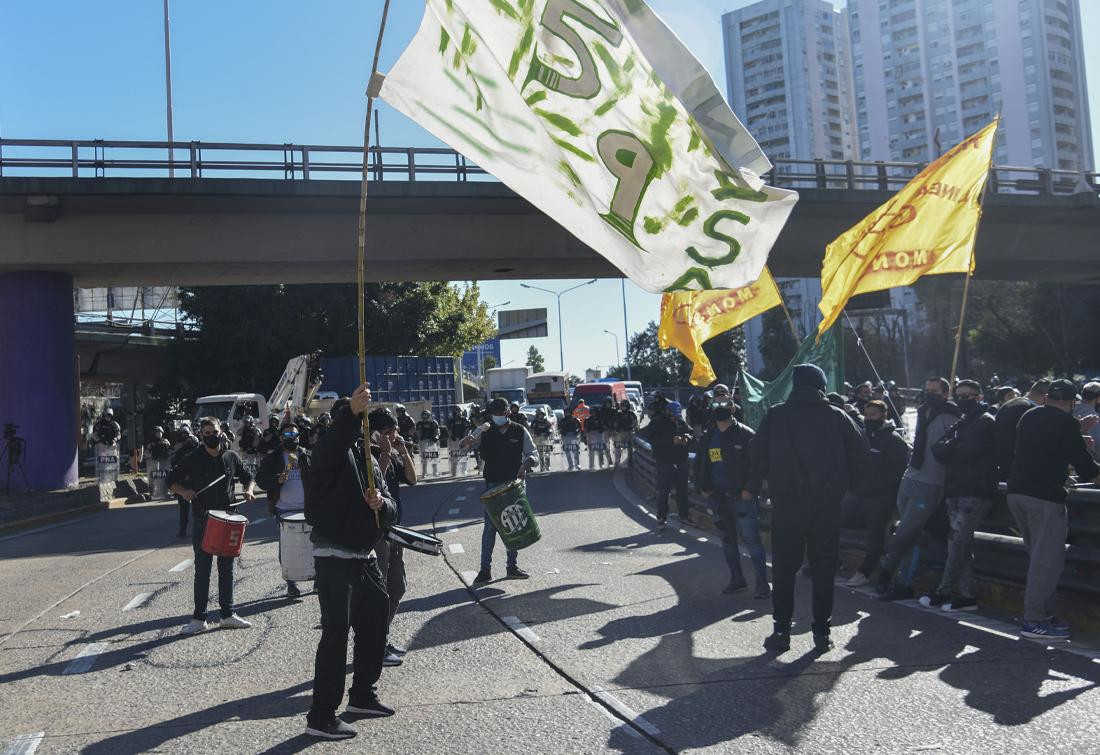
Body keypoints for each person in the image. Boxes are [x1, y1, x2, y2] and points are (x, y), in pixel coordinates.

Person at [747, 364, 867, 653]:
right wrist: (847, 489)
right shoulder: (838, 416)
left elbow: (756, 453)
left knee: (785, 569)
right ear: (822, 386)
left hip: (787, 506)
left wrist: (753, 487)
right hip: (826, 507)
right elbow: (861, 454)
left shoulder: (776, 415)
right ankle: (822, 634)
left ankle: (781, 633)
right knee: (824, 570)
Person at [303, 385, 398, 740]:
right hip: (334, 556)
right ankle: (321, 716)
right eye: (355, 418)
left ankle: (362, 695)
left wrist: (381, 506)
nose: (360, 426)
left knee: (375, 623)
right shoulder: (326, 453)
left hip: (365, 556)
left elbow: (392, 506)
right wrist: (351, 413)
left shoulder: (368, 457)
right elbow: (333, 445)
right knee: (335, 635)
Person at [1007, 379, 1100, 640]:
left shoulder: (1029, 415)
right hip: (1044, 498)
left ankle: (1042, 614)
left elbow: (1041, 450)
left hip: (1016, 493)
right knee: (1046, 562)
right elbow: (1085, 466)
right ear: (1072, 402)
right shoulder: (1067, 423)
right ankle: (1034, 619)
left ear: (1047, 397)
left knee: (1038, 558)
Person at [167, 417, 256, 634]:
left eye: (213, 431)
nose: (210, 436)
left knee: (227, 569)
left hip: (228, 519)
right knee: (203, 570)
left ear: (221, 431)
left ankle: (227, 614)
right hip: (203, 519)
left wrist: (249, 489)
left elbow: (249, 477)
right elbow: (171, 480)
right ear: (201, 435)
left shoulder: (230, 457)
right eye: (206, 433)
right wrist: (184, 491)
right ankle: (199, 618)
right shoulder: (193, 458)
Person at [876, 377, 961, 601]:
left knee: (905, 532)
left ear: (945, 393)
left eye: (935, 390)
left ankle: (886, 568)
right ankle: (903, 583)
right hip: (911, 475)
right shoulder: (924, 412)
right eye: (927, 389)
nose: (929, 393)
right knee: (909, 535)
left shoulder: (951, 415)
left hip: (931, 482)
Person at [921, 380, 997, 612]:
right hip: (954, 489)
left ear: (979, 396)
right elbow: (937, 449)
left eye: (968, 395)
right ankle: (967, 595)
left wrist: (951, 447)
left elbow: (967, 451)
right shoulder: (962, 421)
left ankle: (943, 590)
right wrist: (953, 446)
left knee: (957, 543)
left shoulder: (986, 421)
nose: (963, 399)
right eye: (959, 395)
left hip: (975, 491)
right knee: (961, 545)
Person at [694, 400, 769, 598]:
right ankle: (737, 579)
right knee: (728, 542)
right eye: (716, 400)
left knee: (752, 542)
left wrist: (749, 489)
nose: (720, 406)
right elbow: (700, 463)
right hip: (717, 498)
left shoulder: (746, 434)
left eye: (725, 401)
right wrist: (702, 487)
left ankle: (762, 585)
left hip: (741, 497)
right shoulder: (709, 436)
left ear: (733, 408)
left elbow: (757, 466)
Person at [462, 398, 538, 584]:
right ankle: (485, 570)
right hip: (493, 486)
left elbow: (533, 454)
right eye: (495, 414)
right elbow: (464, 446)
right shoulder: (486, 431)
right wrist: (470, 437)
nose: (498, 417)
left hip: (515, 483)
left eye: (501, 414)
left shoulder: (519, 430)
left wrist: (525, 465)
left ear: (507, 413)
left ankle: (512, 566)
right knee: (490, 528)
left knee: (513, 525)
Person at [367, 406, 417, 668]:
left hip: (396, 529)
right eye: (387, 431)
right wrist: (385, 452)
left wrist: (403, 451)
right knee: (381, 590)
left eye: (394, 430)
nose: (393, 435)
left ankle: (382, 637)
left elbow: (412, 479)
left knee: (397, 587)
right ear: (374, 434)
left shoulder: (394, 453)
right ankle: (374, 645)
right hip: (377, 532)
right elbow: (376, 486)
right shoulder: (369, 456)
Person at [841, 400, 909, 588]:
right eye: (867, 415)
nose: (869, 418)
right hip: (855, 493)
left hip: (879, 498)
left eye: (874, 415)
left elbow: (896, 474)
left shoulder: (895, 441)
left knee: (875, 535)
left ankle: (865, 572)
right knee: (834, 522)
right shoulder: (862, 435)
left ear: (884, 415)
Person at [256, 422, 311, 597]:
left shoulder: (306, 455)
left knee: (315, 543)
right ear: (281, 438)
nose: (291, 438)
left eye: (294, 435)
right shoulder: (272, 458)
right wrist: (276, 480)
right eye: (287, 435)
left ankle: (317, 579)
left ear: (298, 437)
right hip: (283, 508)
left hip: (307, 506)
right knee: (287, 547)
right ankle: (291, 583)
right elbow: (261, 480)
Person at [641, 395, 694, 527]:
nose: (674, 418)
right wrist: (670, 440)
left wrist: (687, 438)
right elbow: (651, 438)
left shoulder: (680, 422)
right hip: (664, 461)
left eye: (676, 415)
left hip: (681, 461)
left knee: (682, 491)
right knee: (664, 491)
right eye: (672, 415)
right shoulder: (657, 422)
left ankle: (684, 515)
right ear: (667, 411)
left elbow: (691, 433)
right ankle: (661, 517)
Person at [994, 379, 1050, 481]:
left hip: (1000, 467)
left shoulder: (1009, 404)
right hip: (1020, 472)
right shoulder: (1032, 411)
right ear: (1046, 397)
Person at [170, 426, 200, 537]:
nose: (186, 439)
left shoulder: (197, 447)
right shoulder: (179, 449)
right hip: (184, 482)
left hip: (197, 481)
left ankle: (203, 527)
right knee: (184, 507)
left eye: (186, 435)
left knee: (201, 505)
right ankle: (183, 529)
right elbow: (174, 464)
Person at [145, 426, 173, 500]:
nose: (159, 434)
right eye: (157, 432)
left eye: (160, 432)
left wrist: (168, 454)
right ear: (154, 434)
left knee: (166, 477)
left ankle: (166, 492)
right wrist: (151, 456)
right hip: (153, 462)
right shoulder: (150, 443)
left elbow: (171, 450)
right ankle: (152, 493)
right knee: (152, 477)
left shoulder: (166, 441)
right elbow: (146, 452)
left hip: (164, 462)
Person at [1074, 381, 1100, 460]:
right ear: (1098, 398)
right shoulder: (1092, 415)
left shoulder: (1072, 407)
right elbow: (1097, 443)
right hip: (1088, 462)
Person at [446, 407, 473, 476]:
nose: (459, 412)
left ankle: (463, 471)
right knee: (454, 455)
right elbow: (449, 429)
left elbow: (468, 428)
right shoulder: (450, 421)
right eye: (457, 411)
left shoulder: (464, 419)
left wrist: (465, 436)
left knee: (464, 455)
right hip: (454, 440)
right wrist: (452, 436)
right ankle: (454, 472)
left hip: (463, 439)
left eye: (459, 411)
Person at [415, 410, 441, 477]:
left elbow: (437, 431)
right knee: (424, 457)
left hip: (432, 441)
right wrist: (419, 439)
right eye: (423, 415)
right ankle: (424, 473)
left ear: (429, 415)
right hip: (423, 442)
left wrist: (436, 437)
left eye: (426, 415)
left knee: (434, 457)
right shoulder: (419, 424)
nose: (425, 416)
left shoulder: (434, 422)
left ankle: (435, 472)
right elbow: (418, 432)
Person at [613, 400, 638, 467]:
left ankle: (630, 463)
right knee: (618, 448)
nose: (623, 407)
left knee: (629, 449)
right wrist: (616, 428)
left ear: (627, 406)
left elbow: (635, 423)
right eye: (622, 406)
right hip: (619, 433)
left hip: (628, 433)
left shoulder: (631, 414)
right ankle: (617, 463)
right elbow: (615, 423)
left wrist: (630, 427)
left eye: (624, 406)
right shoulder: (618, 414)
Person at [530, 408, 554, 472]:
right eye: (539, 414)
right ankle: (542, 467)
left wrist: (549, 433)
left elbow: (551, 429)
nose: (541, 416)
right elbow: (532, 430)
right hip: (538, 439)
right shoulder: (535, 422)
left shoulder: (547, 421)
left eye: (542, 414)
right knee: (540, 454)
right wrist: (534, 434)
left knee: (547, 453)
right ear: (537, 415)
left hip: (546, 439)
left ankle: (548, 466)